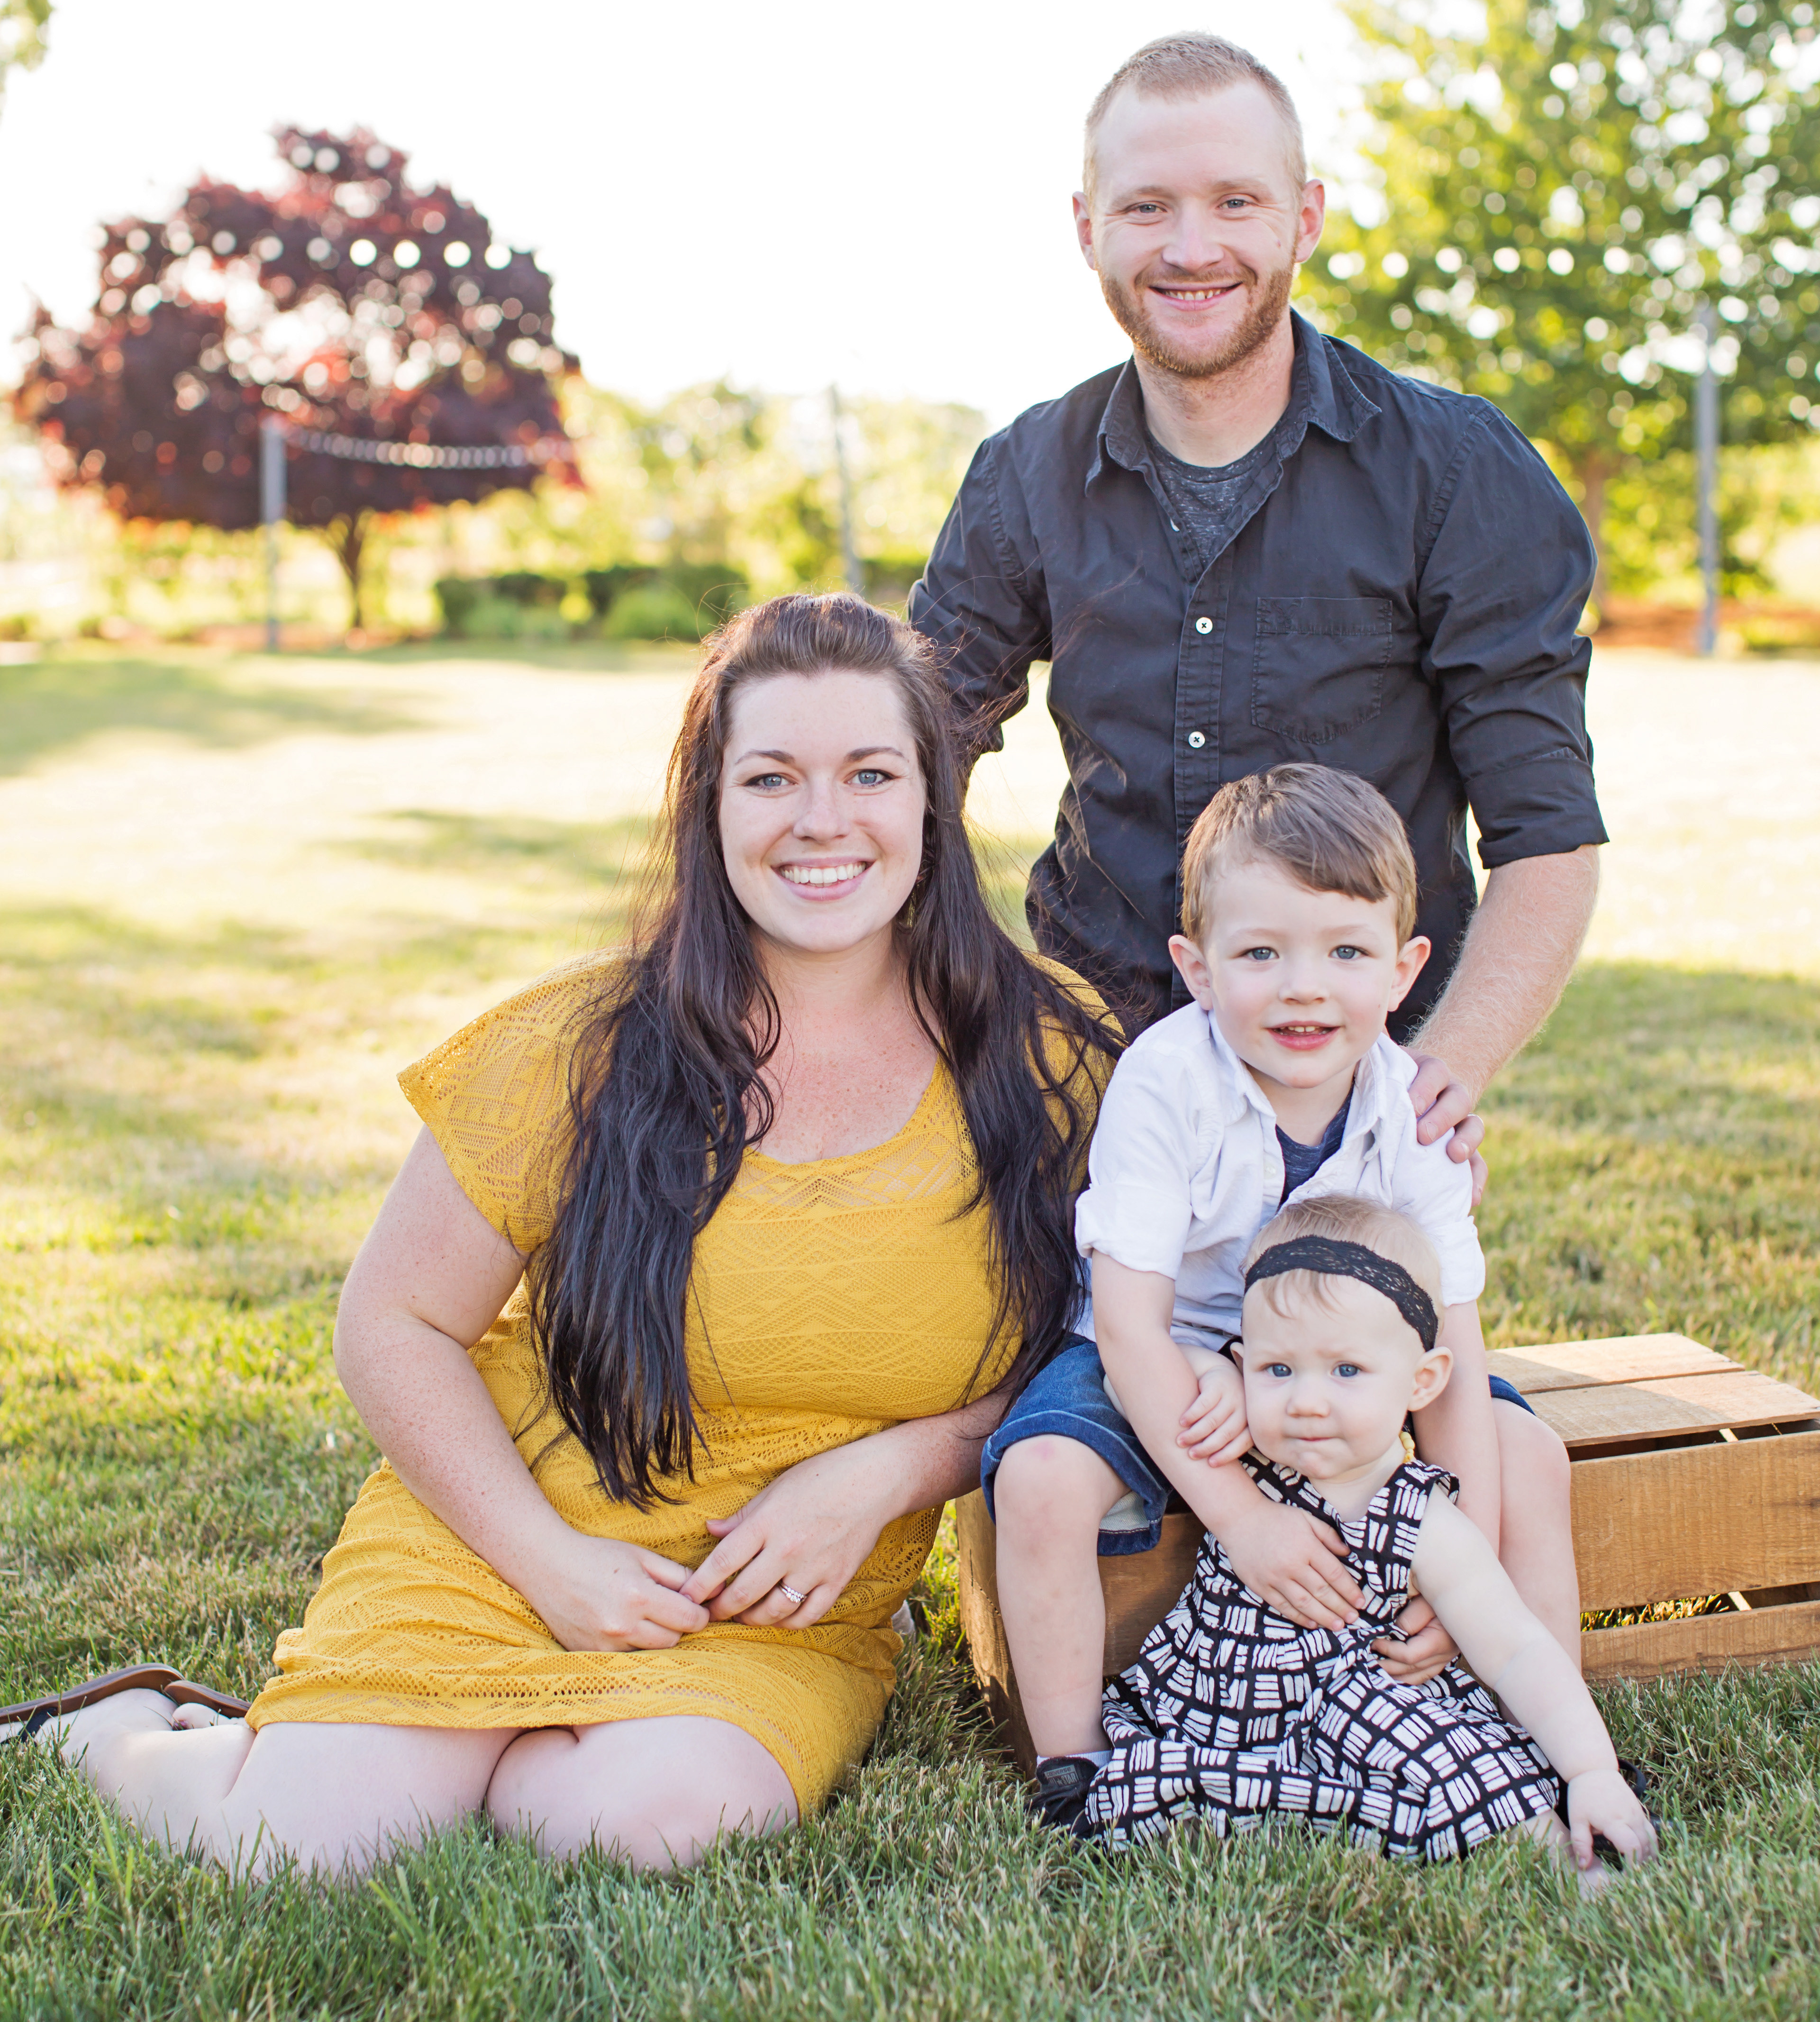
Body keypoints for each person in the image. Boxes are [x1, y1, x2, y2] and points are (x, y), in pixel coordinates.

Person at [12, 595, 1114, 1877]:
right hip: (514, 1537)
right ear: (710, 807)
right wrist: (551, 1565)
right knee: (294, 1850)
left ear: (931, 799)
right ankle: (122, 1735)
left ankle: (476, 1756)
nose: (823, 820)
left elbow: (1110, 1349)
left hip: (774, 1606)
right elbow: (394, 1322)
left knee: (639, 1829)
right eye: (771, 778)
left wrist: (894, 1471)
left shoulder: (1051, 1056)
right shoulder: (581, 1044)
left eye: (870, 774)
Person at [908, 29, 1606, 1186]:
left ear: (1305, 218)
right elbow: (912, 757)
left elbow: (1548, 832)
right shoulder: (1024, 474)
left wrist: (1436, 1080)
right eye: (1147, 208)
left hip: (1346, 1088)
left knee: (1335, 1313)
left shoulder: (1454, 470)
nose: (1193, 249)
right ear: (1086, 228)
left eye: (1237, 202)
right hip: (1093, 1077)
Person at [978, 762, 1578, 1821]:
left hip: (1346, 1361)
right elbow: (1127, 1326)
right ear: (1198, 969)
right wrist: (1244, 1521)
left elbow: (1450, 1334)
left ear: (1404, 970)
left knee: (1528, 1454)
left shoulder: (1414, 1108)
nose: (1305, 988)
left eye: (1347, 953)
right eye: (1261, 954)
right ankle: (1073, 1768)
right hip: (1170, 1350)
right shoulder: (1166, 1083)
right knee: (1039, 1477)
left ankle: (1545, 1738)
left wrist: (1464, 1554)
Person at [1072, 1194, 1658, 1882]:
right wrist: (1210, 1375)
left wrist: (1590, 1768)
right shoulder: (1243, 1451)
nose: (1306, 1401)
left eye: (1346, 1371)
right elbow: (1125, 1377)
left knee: (1457, 1760)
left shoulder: (1420, 1517)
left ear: (1422, 1382)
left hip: (1367, 1711)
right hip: (1223, 1712)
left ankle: (1568, 1855)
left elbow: (1518, 1650)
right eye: (1277, 1370)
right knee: (1157, 1780)